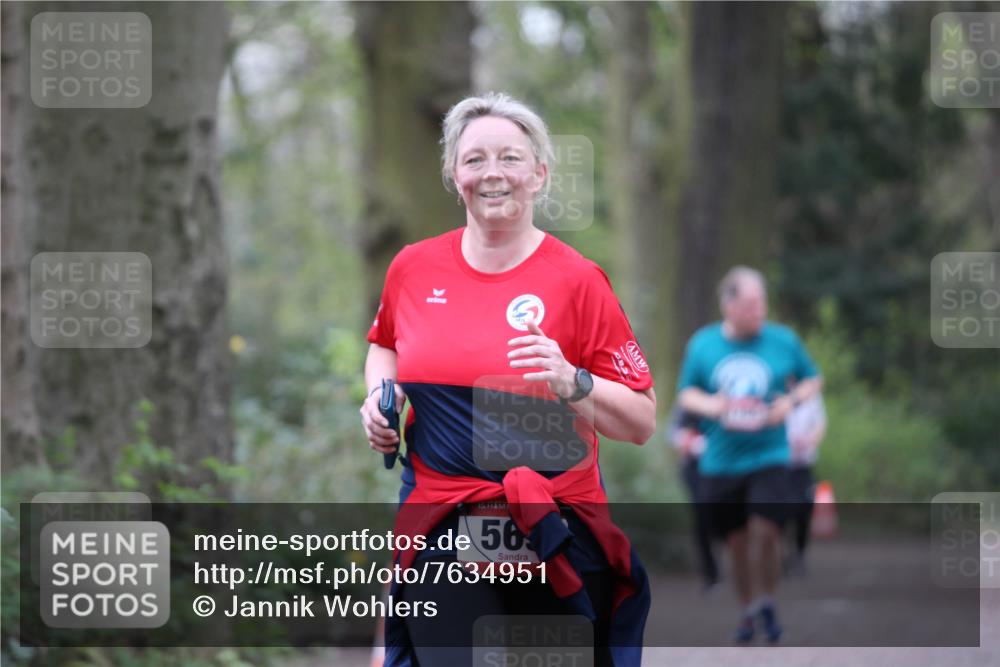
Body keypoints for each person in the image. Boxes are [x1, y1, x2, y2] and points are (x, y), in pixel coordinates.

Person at [359, 92, 657, 667]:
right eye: (474, 159)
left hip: (553, 527)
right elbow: (385, 344)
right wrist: (378, 397)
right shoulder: (413, 268)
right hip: (443, 522)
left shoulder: (579, 281)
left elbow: (641, 421)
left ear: (539, 174)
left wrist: (573, 382)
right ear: (455, 175)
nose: (492, 172)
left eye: (510, 158)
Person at [676, 266, 822, 644]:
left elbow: (812, 379)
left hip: (770, 455)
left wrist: (789, 402)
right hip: (721, 461)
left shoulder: (783, 340)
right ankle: (747, 609)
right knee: (737, 542)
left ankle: (767, 600)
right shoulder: (703, 344)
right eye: (750, 305)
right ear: (728, 305)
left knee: (767, 531)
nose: (759, 311)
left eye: (762, 303)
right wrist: (714, 406)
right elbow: (686, 394)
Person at [666, 404, 720, 592]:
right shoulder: (687, 401)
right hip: (695, 469)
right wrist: (689, 441)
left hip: (724, 468)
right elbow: (673, 432)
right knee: (701, 518)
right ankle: (710, 573)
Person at [784, 390, 827, 575]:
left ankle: (799, 553)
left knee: (804, 508)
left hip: (803, 465)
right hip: (779, 465)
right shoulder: (775, 387)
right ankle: (783, 552)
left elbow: (820, 424)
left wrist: (810, 441)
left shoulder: (811, 395)